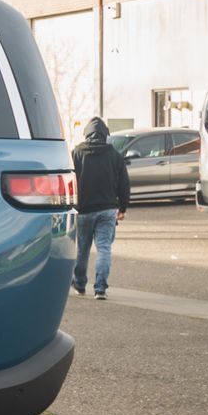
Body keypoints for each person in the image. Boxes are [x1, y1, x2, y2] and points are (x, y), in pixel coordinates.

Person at [71, 117, 130, 300]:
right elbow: (124, 183)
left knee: (82, 249)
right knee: (104, 248)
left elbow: (70, 179)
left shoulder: (77, 153)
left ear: (87, 133)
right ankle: (100, 289)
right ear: (105, 135)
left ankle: (80, 285)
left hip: (84, 210)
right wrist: (123, 207)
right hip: (107, 210)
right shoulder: (114, 155)